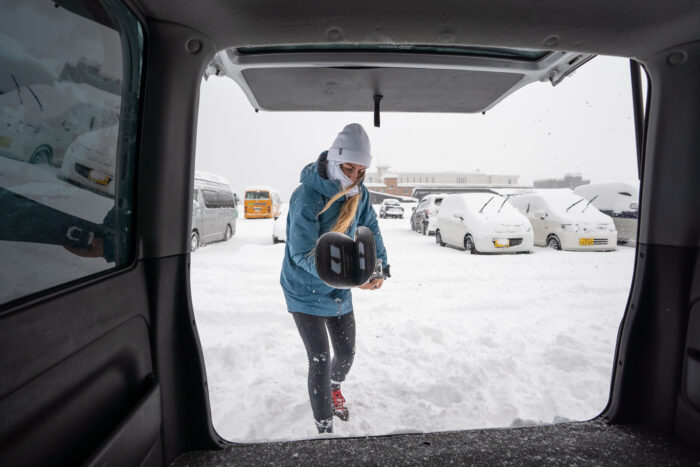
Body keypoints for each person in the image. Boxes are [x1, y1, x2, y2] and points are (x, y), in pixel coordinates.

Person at [280, 123, 390, 434]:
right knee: (320, 358)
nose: (354, 176)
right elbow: (301, 251)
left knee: (346, 353)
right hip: (304, 290)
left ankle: (334, 387)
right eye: (348, 168)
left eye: (360, 170)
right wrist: (344, 276)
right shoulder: (306, 196)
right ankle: (324, 429)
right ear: (332, 159)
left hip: (339, 288)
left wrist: (379, 267)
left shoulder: (360, 193)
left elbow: (370, 227)